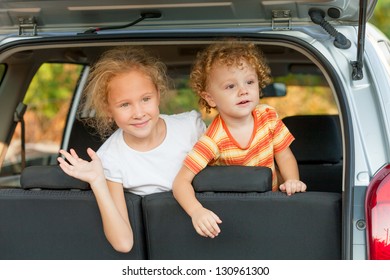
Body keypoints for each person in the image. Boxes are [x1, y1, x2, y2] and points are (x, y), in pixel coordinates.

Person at [57, 46, 205, 252]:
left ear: (159, 95)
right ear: (108, 109)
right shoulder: (109, 159)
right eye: (125, 105)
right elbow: (124, 243)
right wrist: (97, 181)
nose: (138, 113)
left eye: (146, 99)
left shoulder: (191, 128)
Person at [172, 40, 307, 239]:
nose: (243, 90)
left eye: (250, 82)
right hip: (234, 213)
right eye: (230, 86)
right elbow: (180, 182)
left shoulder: (268, 117)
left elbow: (285, 157)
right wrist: (197, 211)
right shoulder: (212, 140)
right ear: (210, 98)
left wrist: (292, 181)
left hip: (273, 202)